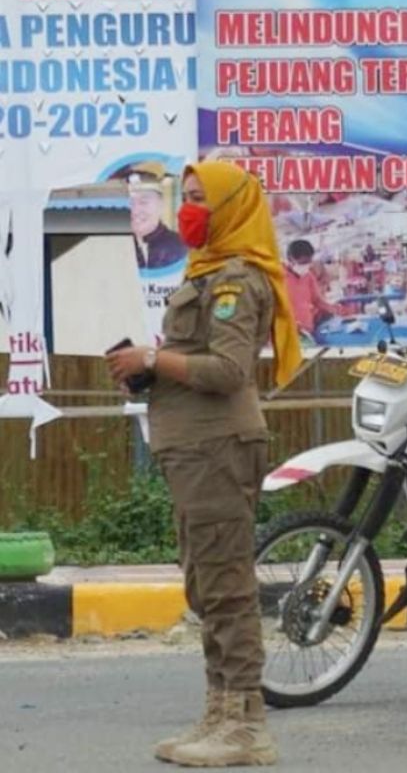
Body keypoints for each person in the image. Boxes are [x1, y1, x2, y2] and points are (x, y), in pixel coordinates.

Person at [105, 160, 304, 767]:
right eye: (184, 197)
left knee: (226, 587)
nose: (188, 209)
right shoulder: (207, 270)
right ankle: (221, 709)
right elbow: (193, 363)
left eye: (199, 199)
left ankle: (246, 723)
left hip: (218, 446)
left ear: (231, 208)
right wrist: (144, 368)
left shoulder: (237, 281)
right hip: (192, 448)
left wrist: (155, 359)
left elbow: (229, 371)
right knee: (206, 584)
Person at [129, 174, 186, 271]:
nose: (135, 210)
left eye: (143, 202)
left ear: (160, 205)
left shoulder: (181, 247)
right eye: (129, 203)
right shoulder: (116, 247)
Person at [284, 239, 338, 340]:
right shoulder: (278, 278)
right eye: (303, 262)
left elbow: (317, 300)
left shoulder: (308, 277)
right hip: (287, 333)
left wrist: (334, 310)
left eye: (309, 262)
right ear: (290, 259)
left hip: (307, 331)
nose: (306, 266)